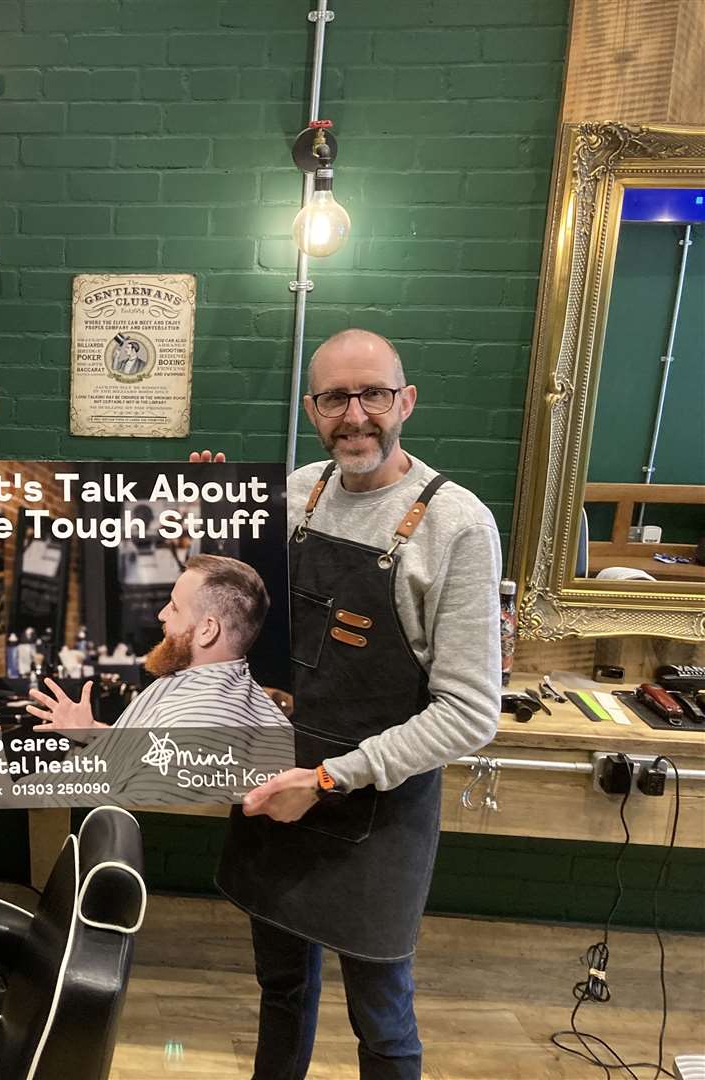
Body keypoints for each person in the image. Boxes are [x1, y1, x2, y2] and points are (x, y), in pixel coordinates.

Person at [202, 328, 501, 1080]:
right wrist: (207, 522)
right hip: (274, 791)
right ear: (312, 408)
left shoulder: (457, 524)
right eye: (335, 397)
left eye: (373, 394)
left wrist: (330, 780)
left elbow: (470, 712)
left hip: (376, 811)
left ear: (406, 401)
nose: (355, 414)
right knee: (280, 987)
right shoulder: (293, 496)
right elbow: (239, 632)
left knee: (384, 1020)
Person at [0, 554, 294, 808]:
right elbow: (156, 751)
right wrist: (91, 731)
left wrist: (3, 796)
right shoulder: (203, 685)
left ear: (207, 629)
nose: (161, 614)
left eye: (174, 608)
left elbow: (131, 814)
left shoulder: (203, 723)